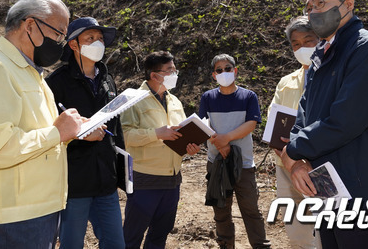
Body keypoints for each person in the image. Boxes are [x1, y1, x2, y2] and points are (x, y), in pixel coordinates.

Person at [280, 0, 368, 248]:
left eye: (321, 3)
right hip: (325, 181)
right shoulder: (322, 51)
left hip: (359, 185)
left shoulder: (366, 49)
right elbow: (305, 110)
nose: (313, 11)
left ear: (348, 4)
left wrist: (295, 149)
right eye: (309, 6)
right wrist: (297, 160)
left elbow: (347, 119)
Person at [0, 0, 84, 248]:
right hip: (13, 218)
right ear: (30, 26)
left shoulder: (31, 74)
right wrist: (57, 133)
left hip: (36, 211)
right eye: (59, 33)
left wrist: (72, 132)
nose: (61, 43)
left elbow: (37, 136)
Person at [46, 17, 125, 249]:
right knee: (71, 244)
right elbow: (48, 131)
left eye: (100, 38)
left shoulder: (108, 80)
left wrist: (120, 169)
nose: (97, 43)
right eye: (90, 38)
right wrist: (79, 135)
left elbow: (116, 130)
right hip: (74, 183)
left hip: (106, 182)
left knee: (115, 244)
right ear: (73, 45)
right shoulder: (56, 83)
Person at [120, 51, 200, 249]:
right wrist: (156, 133)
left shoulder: (175, 101)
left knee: (159, 236)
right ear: (154, 75)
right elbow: (125, 137)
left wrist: (189, 147)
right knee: (132, 236)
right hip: (145, 179)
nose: (175, 74)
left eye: (174, 69)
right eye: (169, 70)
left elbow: (179, 134)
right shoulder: (133, 99)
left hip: (173, 180)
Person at [199, 54, 271, 249]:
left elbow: (251, 124)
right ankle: (225, 245)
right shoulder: (208, 97)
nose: (224, 72)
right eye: (219, 70)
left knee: (251, 210)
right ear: (214, 75)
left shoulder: (248, 96)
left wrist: (226, 139)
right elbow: (202, 125)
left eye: (228, 68)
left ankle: (260, 245)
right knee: (221, 210)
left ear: (235, 71)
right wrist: (221, 144)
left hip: (244, 164)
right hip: (216, 162)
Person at [269, 16, 321, 249]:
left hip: (321, 166)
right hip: (287, 166)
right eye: (296, 44)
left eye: (309, 41)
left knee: (326, 230)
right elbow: (273, 126)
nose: (302, 48)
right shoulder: (286, 82)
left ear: (322, 40)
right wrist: (291, 162)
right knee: (296, 229)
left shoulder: (335, 78)